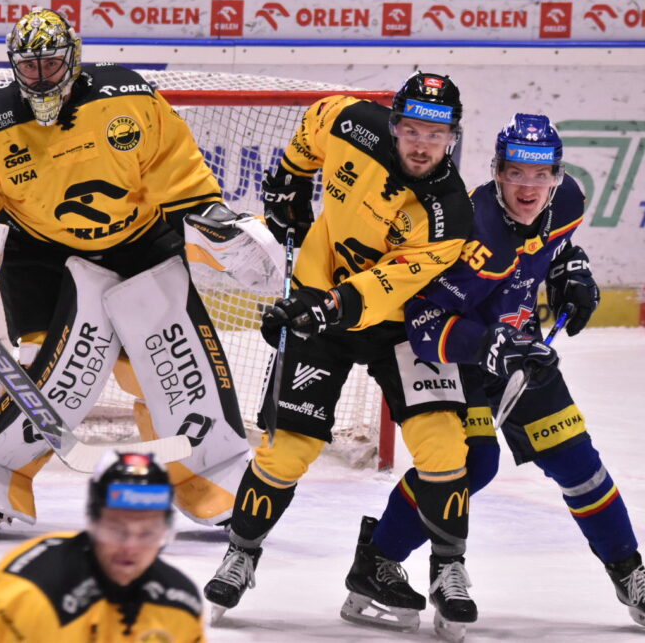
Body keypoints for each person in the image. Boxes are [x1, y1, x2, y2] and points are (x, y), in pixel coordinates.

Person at [0, 7, 262, 539]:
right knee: (52, 375)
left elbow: (176, 166)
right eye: (29, 66)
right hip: (42, 255)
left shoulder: (127, 97)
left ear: (74, 58)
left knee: (173, 365)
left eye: (51, 64)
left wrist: (212, 218)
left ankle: (210, 477)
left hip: (139, 242)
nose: (41, 77)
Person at [380, 112, 645, 637]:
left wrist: (571, 268)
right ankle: (384, 560)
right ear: (497, 172)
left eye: (541, 175)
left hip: (520, 352)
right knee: (472, 465)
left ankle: (628, 573)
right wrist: (487, 345)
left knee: (578, 462)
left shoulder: (565, 204)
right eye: (516, 173)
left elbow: (552, 247)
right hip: (459, 360)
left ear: (557, 177)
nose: (529, 188)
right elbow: (422, 322)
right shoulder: (470, 229)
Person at [203, 71, 479, 633]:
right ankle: (240, 554)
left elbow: (383, 287)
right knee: (287, 450)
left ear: (453, 137)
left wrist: (314, 310)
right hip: (319, 299)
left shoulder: (450, 214)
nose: (422, 144)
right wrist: (291, 174)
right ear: (393, 124)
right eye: (412, 129)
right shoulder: (353, 123)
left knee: (445, 444)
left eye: (437, 134)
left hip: (404, 325)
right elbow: (317, 118)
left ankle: (449, 568)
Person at [0, 451, 206, 642]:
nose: (131, 548)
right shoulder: (26, 595)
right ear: (93, 522)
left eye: (147, 534)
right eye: (117, 530)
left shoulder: (179, 603)